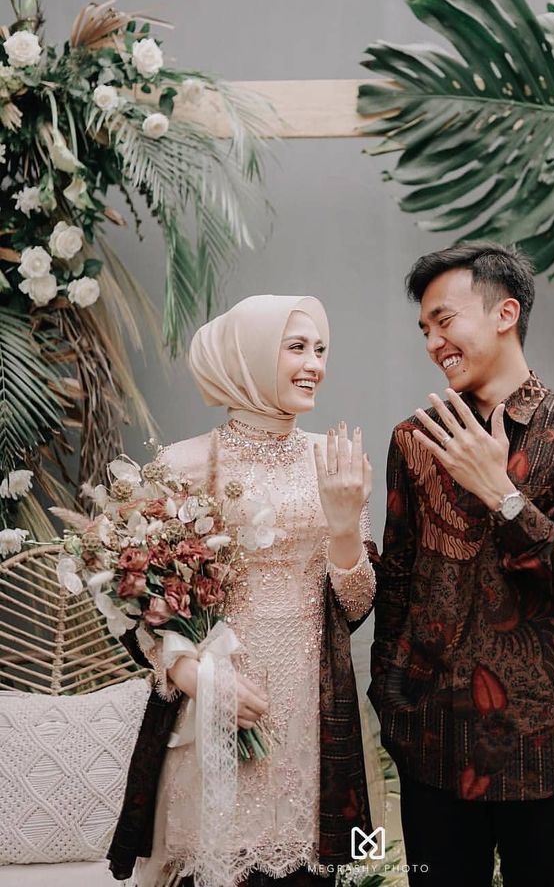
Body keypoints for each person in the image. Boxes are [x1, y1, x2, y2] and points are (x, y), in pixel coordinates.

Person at [369, 243, 554, 887]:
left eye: (445, 320)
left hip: (547, 750)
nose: (434, 341)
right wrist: (393, 705)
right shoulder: (415, 439)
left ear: (504, 313)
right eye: (425, 329)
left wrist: (505, 498)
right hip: (432, 746)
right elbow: (400, 579)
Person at [107, 295, 376, 887]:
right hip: (214, 716)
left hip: (312, 718)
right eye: (297, 347)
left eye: (321, 349)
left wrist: (343, 526)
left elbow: (354, 607)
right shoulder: (181, 465)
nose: (315, 365)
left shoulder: (332, 462)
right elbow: (132, 605)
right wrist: (197, 679)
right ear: (247, 356)